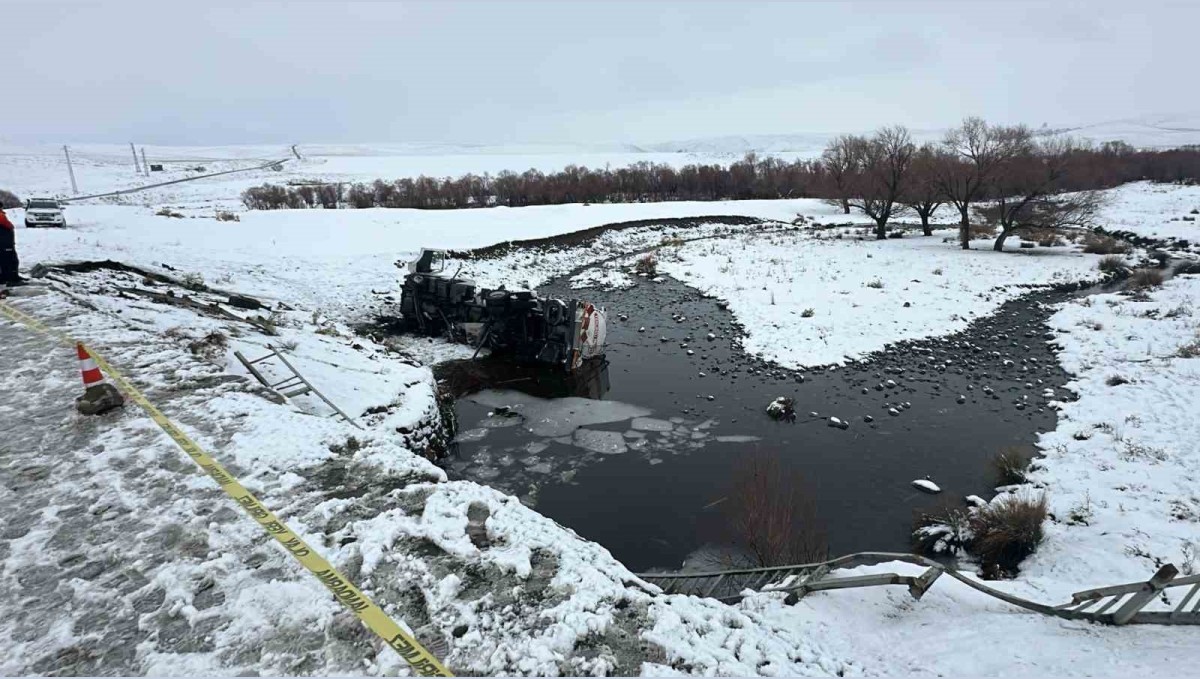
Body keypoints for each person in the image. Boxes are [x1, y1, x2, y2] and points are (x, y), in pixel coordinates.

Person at [0, 207, 25, 286]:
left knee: (4, 261)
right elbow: (9, 226)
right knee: (11, 261)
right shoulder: (1, 216)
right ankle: (11, 278)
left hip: (4, 243)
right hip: (5, 243)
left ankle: (5, 277)